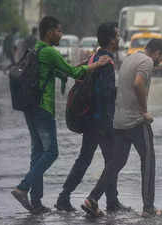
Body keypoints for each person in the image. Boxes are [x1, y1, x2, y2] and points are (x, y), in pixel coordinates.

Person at [10, 16, 111, 215]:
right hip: (43, 108)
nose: (61, 34)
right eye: (58, 30)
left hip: (29, 107)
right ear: (49, 32)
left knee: (38, 153)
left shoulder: (37, 50)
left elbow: (59, 72)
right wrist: (96, 65)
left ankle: (36, 202)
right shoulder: (49, 51)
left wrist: (85, 63)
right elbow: (73, 72)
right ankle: (23, 188)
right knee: (51, 153)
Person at [81, 39, 162, 217]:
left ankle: (92, 199)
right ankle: (148, 208)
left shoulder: (130, 58)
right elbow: (138, 84)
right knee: (148, 161)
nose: (160, 60)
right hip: (136, 121)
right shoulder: (147, 62)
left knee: (116, 163)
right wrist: (144, 111)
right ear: (157, 53)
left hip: (119, 120)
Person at [54, 22, 128, 213]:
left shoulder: (95, 56)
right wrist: (120, 96)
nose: (119, 38)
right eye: (117, 35)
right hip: (101, 121)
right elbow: (105, 94)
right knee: (113, 161)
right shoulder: (106, 61)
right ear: (111, 40)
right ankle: (109, 201)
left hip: (90, 119)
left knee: (87, 159)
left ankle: (65, 198)